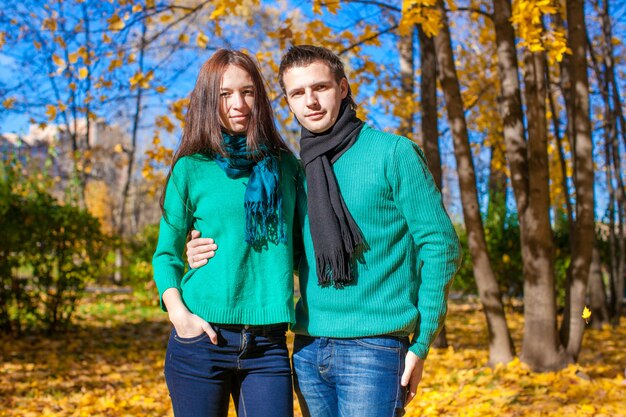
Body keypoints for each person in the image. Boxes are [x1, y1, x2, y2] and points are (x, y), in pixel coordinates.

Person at [187, 45, 462, 417]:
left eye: (321, 88)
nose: (310, 101)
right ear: (287, 103)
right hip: (308, 347)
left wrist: (422, 342)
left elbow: (441, 246)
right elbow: (284, 250)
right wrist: (205, 249)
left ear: (344, 88)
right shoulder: (299, 171)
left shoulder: (394, 154)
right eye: (298, 93)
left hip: (375, 348)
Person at [152, 49, 305, 417]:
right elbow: (166, 255)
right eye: (225, 94)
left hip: (267, 344)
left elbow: (308, 248)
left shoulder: (287, 167)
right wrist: (180, 317)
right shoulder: (191, 168)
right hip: (201, 339)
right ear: (209, 100)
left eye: (248, 92)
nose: (239, 103)